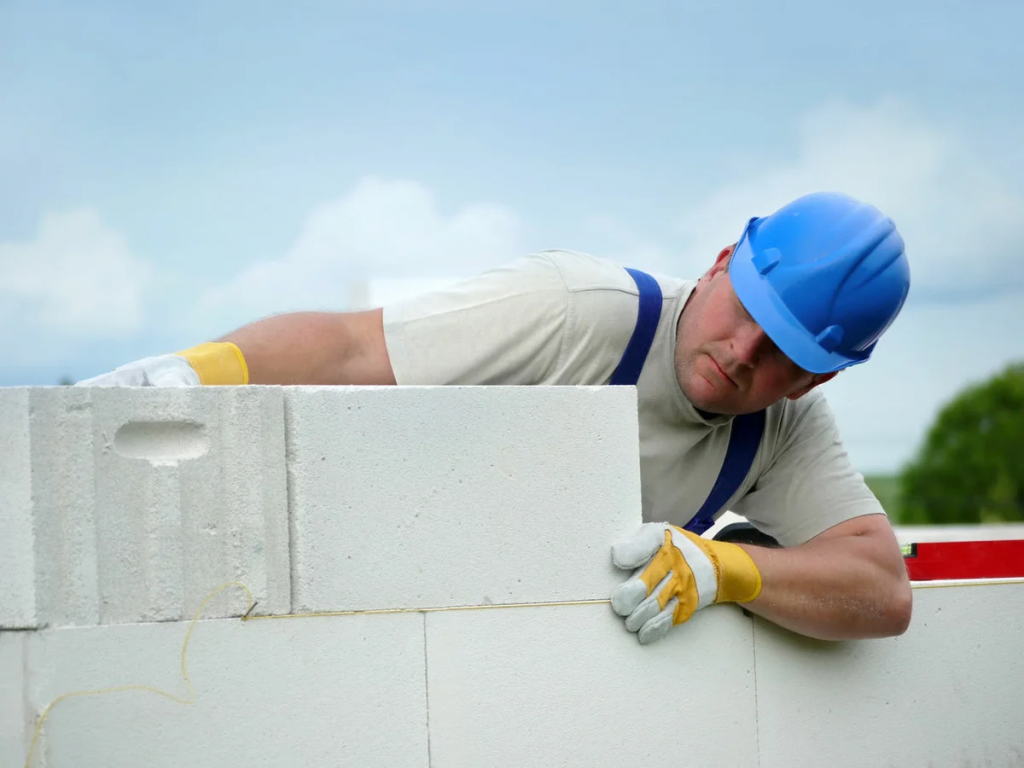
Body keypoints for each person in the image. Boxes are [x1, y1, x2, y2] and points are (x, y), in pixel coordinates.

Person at [78, 191, 914, 645]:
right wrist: (191, 373)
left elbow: (882, 589)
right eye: (747, 311)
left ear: (816, 380)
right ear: (724, 260)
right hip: (391, 617)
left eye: (782, 355)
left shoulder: (784, 429)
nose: (742, 352)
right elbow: (350, 351)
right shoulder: (578, 311)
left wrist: (728, 572)